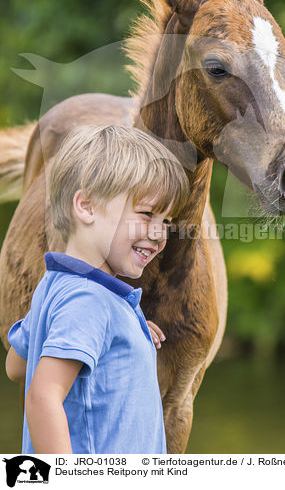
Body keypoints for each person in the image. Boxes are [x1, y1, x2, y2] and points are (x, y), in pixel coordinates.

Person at [5, 124, 190, 454]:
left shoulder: (57, 285)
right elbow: (42, 397)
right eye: (146, 214)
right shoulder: (89, 301)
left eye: (165, 220)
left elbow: (17, 366)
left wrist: (116, 331)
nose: (159, 233)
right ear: (86, 206)